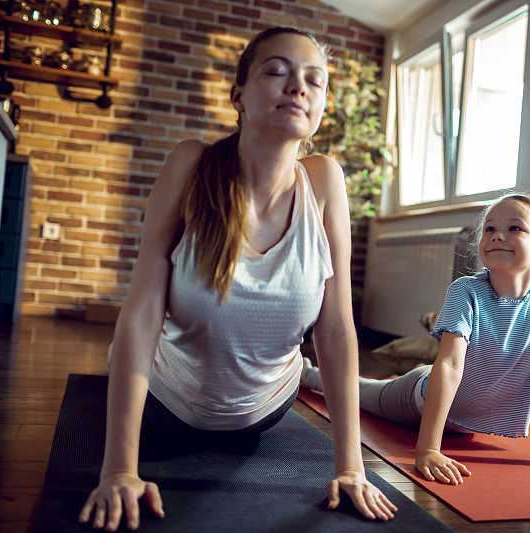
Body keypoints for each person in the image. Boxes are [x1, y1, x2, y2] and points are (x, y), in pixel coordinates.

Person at [78, 27, 397, 531]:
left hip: (264, 412)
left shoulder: (324, 180)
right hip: (169, 406)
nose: (298, 87)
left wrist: (352, 469)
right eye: (277, 71)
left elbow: (334, 328)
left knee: (325, 372)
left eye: (315, 81)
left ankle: (402, 390)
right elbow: (140, 312)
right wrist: (119, 468)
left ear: (320, 108)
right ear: (239, 95)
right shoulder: (192, 164)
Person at [302, 192, 530, 486]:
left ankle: (401, 375)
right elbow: (448, 364)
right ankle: (305, 373)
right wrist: (428, 450)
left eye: (514, 228)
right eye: (490, 228)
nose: (497, 236)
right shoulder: (466, 291)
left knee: (399, 378)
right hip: (418, 400)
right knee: (361, 392)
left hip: (462, 418)